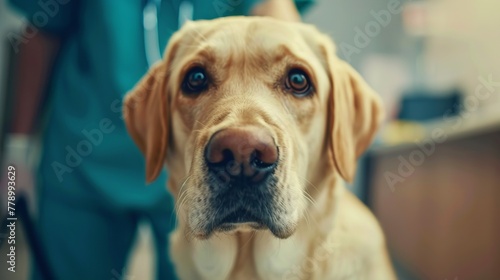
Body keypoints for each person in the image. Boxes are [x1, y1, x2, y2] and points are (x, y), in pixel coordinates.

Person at [4, 0, 314, 279]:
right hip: (83, 161)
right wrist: (17, 153)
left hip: (200, 167)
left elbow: (278, 25)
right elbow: (43, 30)